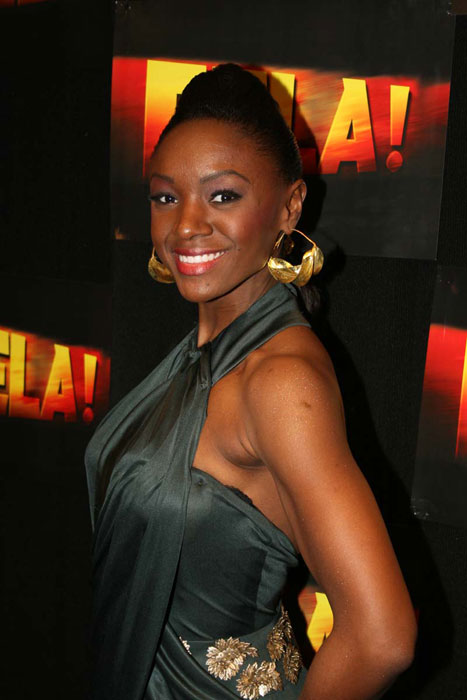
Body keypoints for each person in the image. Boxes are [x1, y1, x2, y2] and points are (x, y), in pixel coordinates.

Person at [85, 63, 417, 700]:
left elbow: (383, 637)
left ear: (289, 207)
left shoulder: (281, 382)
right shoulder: (199, 358)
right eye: (165, 197)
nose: (186, 225)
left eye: (223, 196)